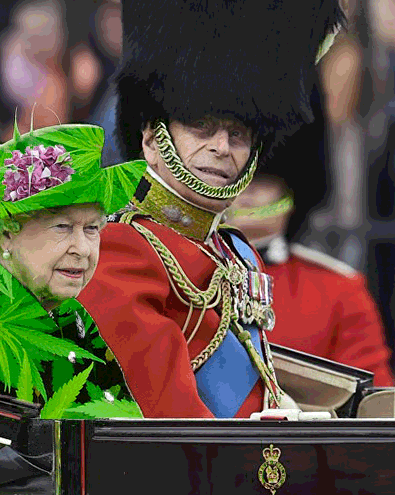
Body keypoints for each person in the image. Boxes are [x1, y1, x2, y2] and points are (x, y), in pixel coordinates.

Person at [77, 0, 344, 418]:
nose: (221, 147)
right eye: (201, 126)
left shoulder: (236, 253)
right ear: (152, 139)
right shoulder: (121, 249)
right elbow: (170, 419)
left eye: (238, 134)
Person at [0, 123, 147, 418]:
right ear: (6, 233)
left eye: (92, 228)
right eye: (62, 227)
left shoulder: (65, 309)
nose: (83, 249)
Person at [226, 174, 395, 386]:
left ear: (289, 196)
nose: (247, 187)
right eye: (233, 176)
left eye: (262, 178)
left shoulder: (339, 289)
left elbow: (369, 391)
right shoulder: (186, 271)